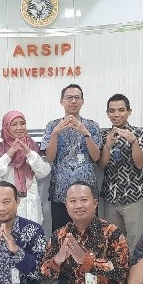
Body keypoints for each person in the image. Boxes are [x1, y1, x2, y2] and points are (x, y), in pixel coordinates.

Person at [41, 84, 102, 232]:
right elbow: (50, 157)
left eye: (77, 98)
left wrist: (86, 133)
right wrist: (55, 134)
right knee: (61, 235)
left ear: (82, 101)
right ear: (61, 101)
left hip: (87, 192)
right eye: (69, 98)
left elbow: (96, 157)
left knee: (90, 235)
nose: (73, 101)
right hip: (60, 192)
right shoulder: (52, 125)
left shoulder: (92, 125)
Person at [97, 93, 143, 253]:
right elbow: (101, 165)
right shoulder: (104, 135)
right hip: (110, 197)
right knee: (113, 243)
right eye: (112, 111)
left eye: (121, 110)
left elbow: (140, 164)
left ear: (129, 112)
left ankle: (136, 270)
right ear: (107, 113)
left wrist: (133, 142)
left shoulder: (138, 134)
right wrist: (107, 146)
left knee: (136, 242)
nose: (116, 114)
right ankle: (117, 270)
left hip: (133, 197)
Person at [0, 111, 51, 224]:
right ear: (6, 127)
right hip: (7, 208)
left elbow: (44, 172)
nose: (19, 127)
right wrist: (8, 155)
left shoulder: (32, 146)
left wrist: (29, 153)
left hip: (31, 208)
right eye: (14, 124)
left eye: (22, 123)